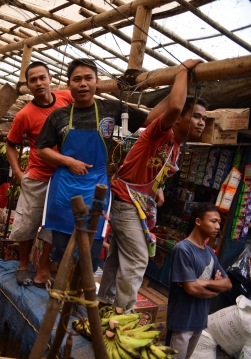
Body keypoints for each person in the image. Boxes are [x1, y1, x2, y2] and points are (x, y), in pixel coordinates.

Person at [98, 59, 206, 311]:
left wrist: (156, 188)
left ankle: (104, 301)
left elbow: (154, 166)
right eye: (197, 116)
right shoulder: (160, 132)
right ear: (179, 119)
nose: (201, 122)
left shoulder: (176, 144)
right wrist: (183, 70)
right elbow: (175, 105)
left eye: (204, 118)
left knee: (116, 255)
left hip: (136, 203)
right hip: (125, 200)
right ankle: (123, 314)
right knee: (137, 258)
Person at [36, 58, 149, 282]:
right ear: (69, 84)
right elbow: (42, 149)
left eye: (88, 78)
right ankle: (58, 282)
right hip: (65, 184)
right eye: (77, 79)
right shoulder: (58, 116)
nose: (83, 84)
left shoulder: (112, 108)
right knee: (59, 236)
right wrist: (69, 162)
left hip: (96, 185)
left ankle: (76, 286)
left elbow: (152, 119)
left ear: (97, 82)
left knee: (90, 237)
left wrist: (178, 90)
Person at [5, 61, 73, 287]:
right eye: (33, 80)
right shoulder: (24, 115)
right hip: (37, 176)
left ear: (51, 78)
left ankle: (43, 269)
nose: (38, 83)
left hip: (63, 177)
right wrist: (18, 172)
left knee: (53, 226)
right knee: (28, 223)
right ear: (27, 85)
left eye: (42, 77)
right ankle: (23, 265)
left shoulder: (66, 98)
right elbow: (11, 144)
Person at [166, 203, 231, 359]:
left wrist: (205, 283)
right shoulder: (183, 249)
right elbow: (191, 289)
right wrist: (214, 291)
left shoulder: (209, 252)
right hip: (182, 321)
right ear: (198, 221)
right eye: (213, 221)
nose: (217, 226)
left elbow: (227, 283)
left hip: (199, 320)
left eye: (219, 223)